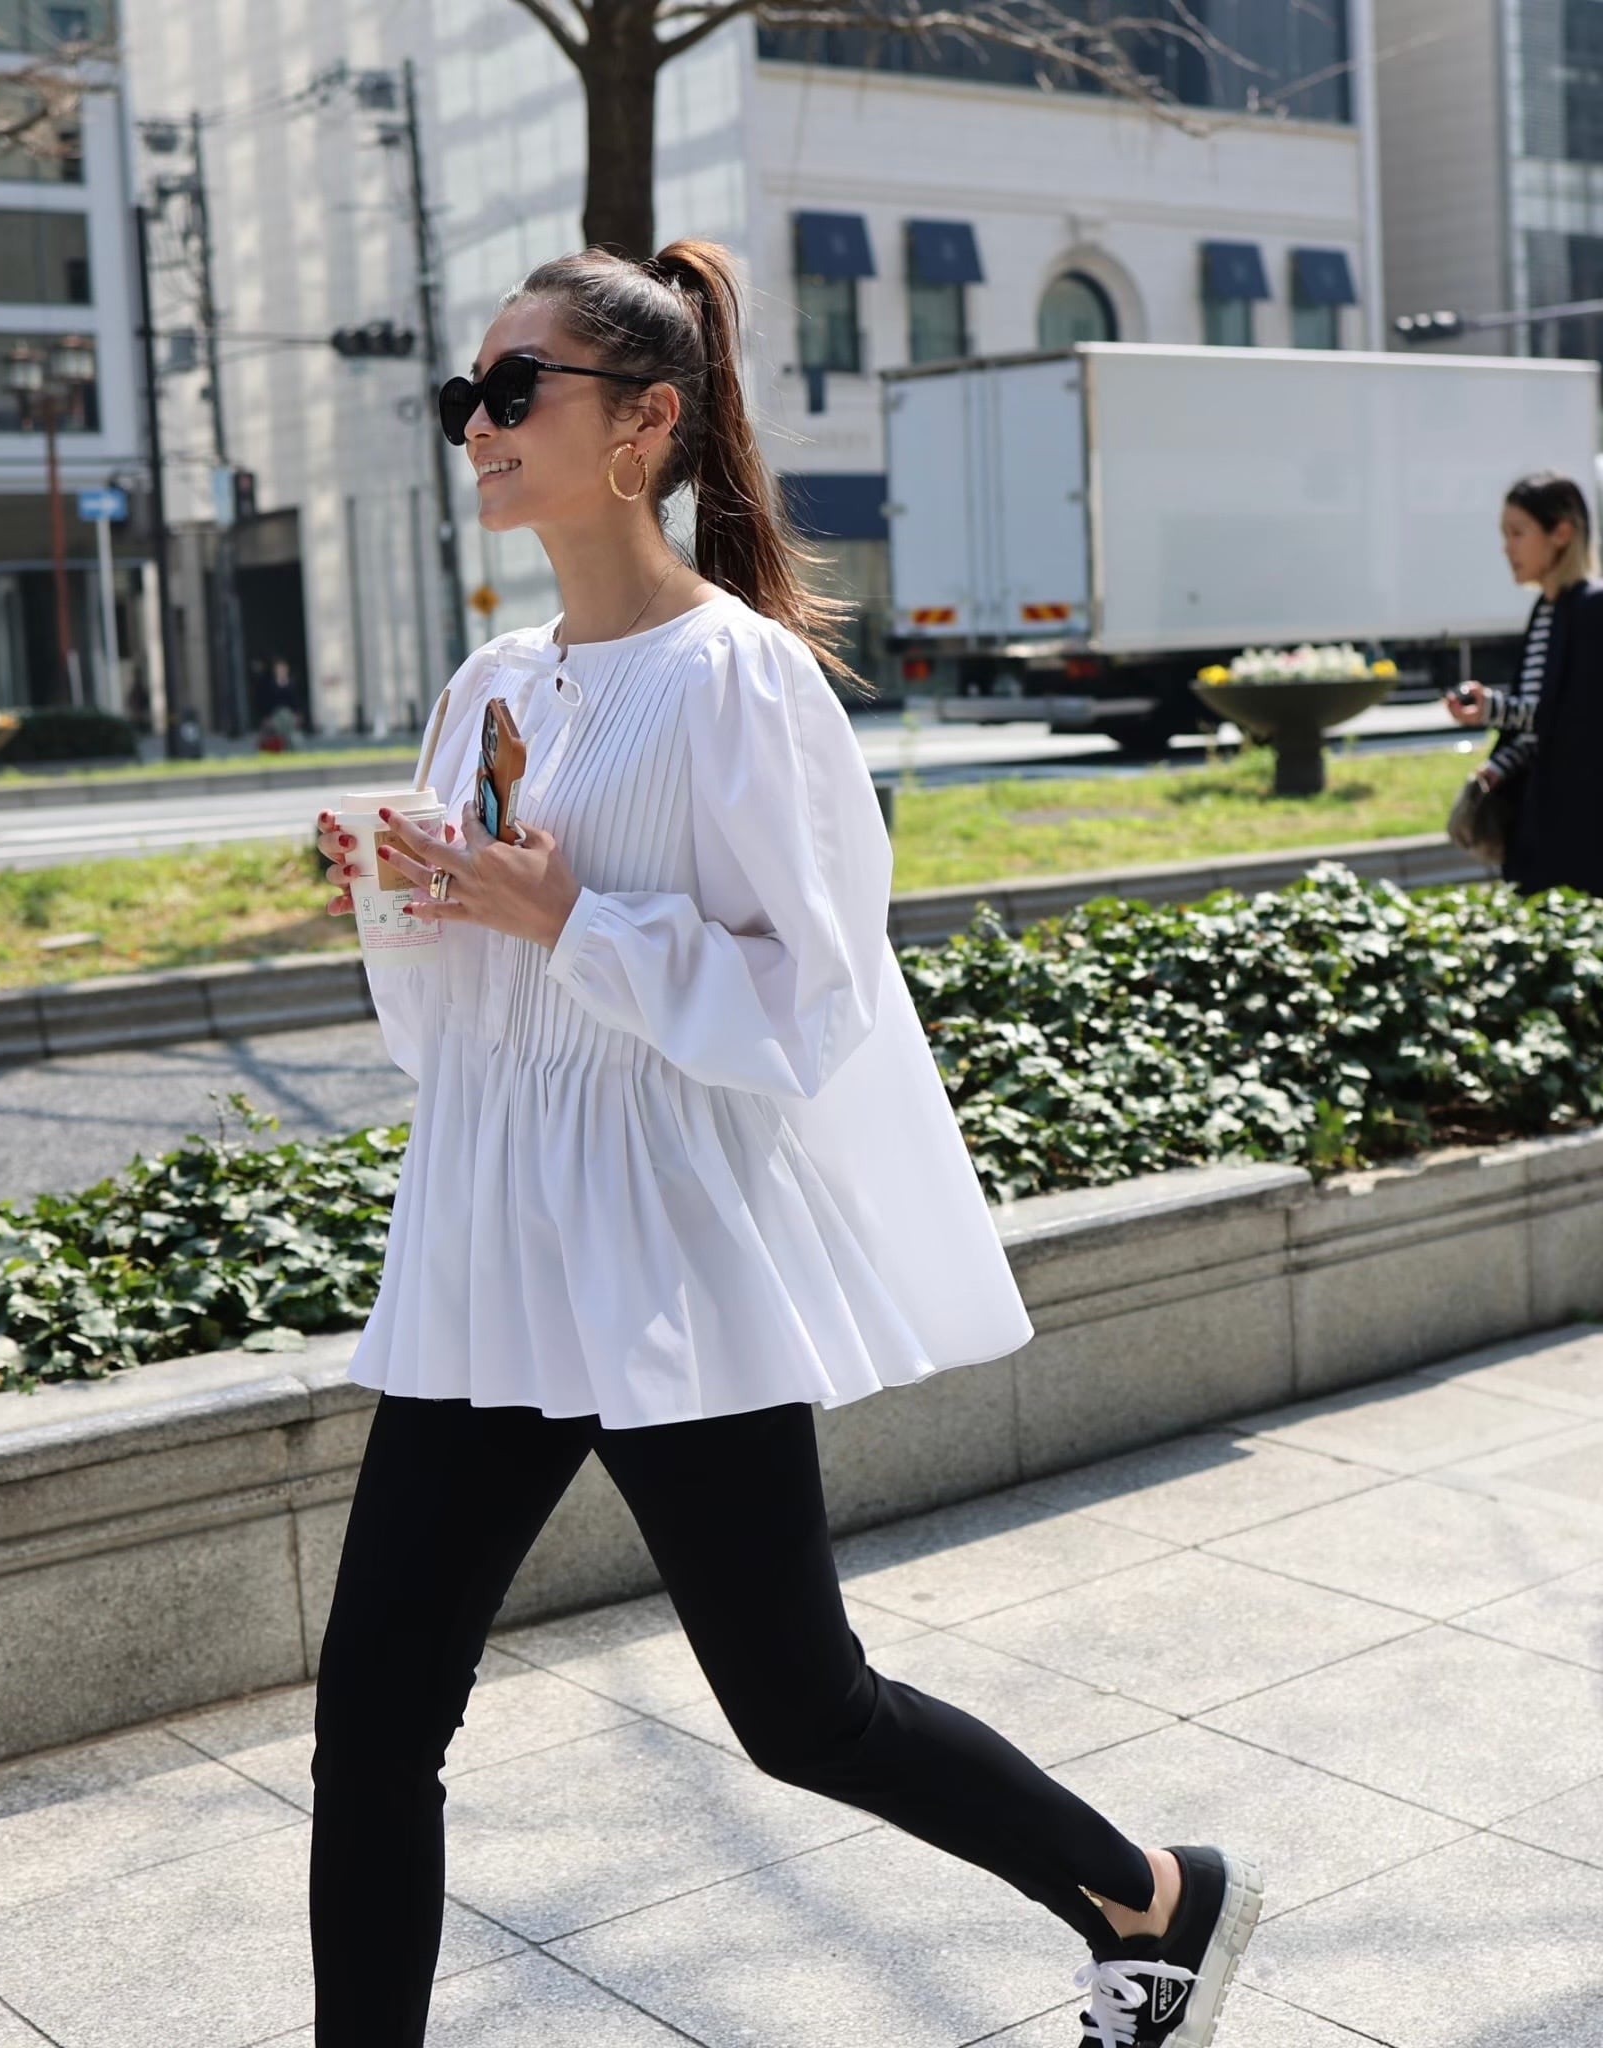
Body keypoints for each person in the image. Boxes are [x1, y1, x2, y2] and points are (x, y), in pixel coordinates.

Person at [308, 241, 1261, 2048]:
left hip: (667, 1245)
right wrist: (402, 897)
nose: (479, 426)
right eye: (468, 397)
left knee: (799, 1707)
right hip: (491, 1239)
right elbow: (457, 1033)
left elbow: (808, 1008)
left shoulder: (743, 684)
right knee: (371, 1709)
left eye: (517, 391)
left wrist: (565, 917)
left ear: (640, 423)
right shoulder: (489, 680)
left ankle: (1150, 1895)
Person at [1445, 471, 1603, 896]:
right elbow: (1538, 730)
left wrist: (1495, 708)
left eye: (1518, 533)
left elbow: (1574, 719)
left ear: (1561, 533)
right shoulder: (1545, 610)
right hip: (1541, 816)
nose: (1507, 548)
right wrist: (1497, 770)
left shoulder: (1591, 609)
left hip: (1579, 827)